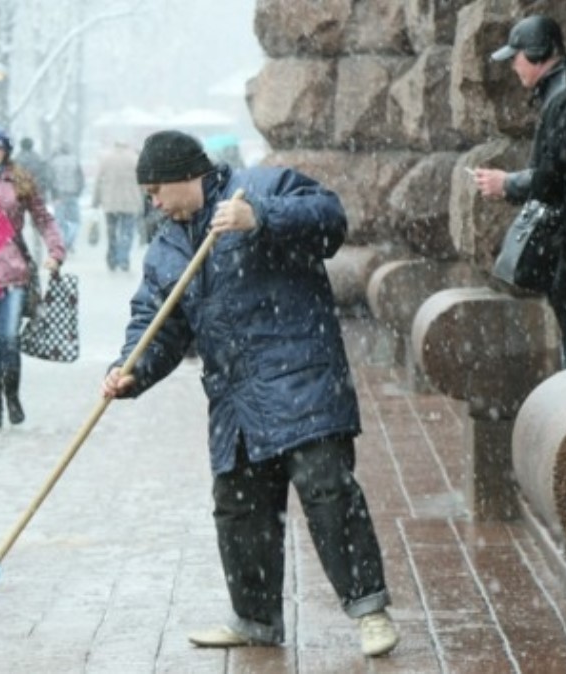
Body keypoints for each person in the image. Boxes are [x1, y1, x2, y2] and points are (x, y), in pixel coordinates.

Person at [100, 130, 399, 657]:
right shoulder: (168, 246)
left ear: (184, 177)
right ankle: (255, 619)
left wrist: (259, 217)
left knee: (326, 489)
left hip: (301, 377)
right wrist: (131, 370)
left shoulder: (257, 188)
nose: (153, 203)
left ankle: (369, 611)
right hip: (234, 398)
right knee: (239, 506)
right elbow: (157, 321)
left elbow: (329, 219)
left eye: (155, 191)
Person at [479, 20, 566, 366]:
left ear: (539, 54)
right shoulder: (561, 93)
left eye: (518, 56)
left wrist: (508, 183)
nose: (513, 65)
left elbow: (555, 175)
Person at [0, 124, 66, 429]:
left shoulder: (20, 181)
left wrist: (55, 251)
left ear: (6, 150)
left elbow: (44, 219)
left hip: (14, 271)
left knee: (9, 339)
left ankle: (12, 396)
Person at [92, 140, 142, 268]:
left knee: (112, 232)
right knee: (127, 232)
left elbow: (98, 181)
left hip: (110, 202)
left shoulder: (106, 158)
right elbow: (142, 181)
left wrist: (96, 201)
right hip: (130, 202)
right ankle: (123, 258)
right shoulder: (134, 158)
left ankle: (112, 258)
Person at [48, 143, 85, 252]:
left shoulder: (53, 162)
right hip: (72, 194)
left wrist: (53, 195)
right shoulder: (75, 161)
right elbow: (81, 179)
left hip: (59, 196)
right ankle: (69, 241)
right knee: (75, 221)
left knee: (60, 222)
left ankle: (62, 242)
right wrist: (78, 192)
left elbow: (50, 180)